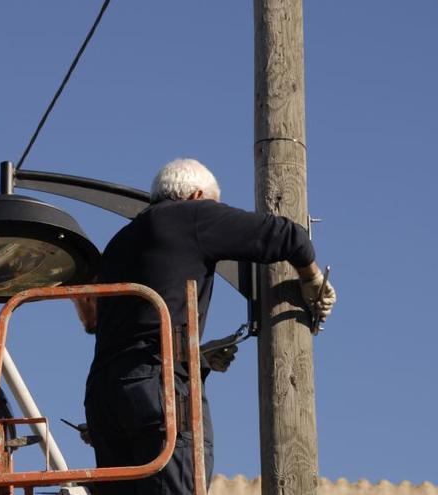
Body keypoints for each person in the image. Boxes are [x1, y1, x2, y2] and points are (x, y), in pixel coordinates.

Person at [74, 158, 336, 495]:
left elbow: (131, 332)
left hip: (103, 398)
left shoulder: (120, 242)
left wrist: (198, 359)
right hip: (158, 386)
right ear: (197, 195)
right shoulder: (191, 215)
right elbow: (286, 235)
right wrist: (313, 279)